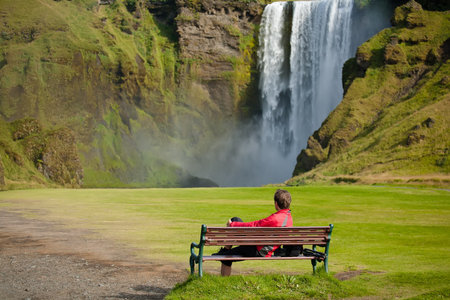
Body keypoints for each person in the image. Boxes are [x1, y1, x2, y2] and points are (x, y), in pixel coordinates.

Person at [215, 189, 293, 276]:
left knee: (226, 257)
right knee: (236, 220)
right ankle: (224, 251)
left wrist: (233, 225)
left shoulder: (275, 218)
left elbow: (255, 225)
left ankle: (223, 253)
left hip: (259, 250)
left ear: (276, 203)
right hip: (264, 247)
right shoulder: (289, 218)